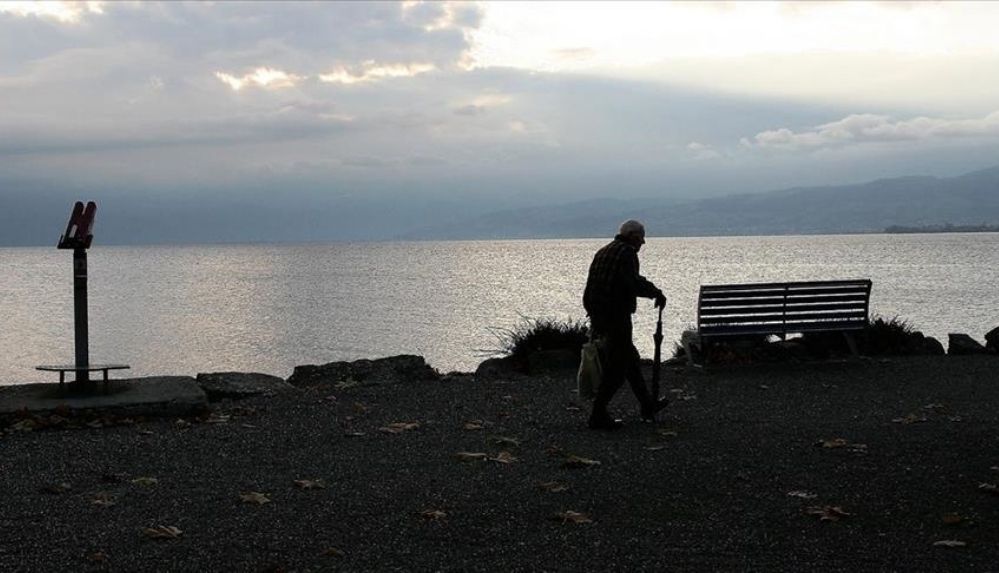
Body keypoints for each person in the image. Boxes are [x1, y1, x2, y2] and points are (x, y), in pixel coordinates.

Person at [582, 219, 669, 430]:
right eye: (641, 238)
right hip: (616, 315)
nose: (643, 243)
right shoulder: (627, 253)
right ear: (632, 236)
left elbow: (592, 285)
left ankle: (647, 405)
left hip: (598, 314)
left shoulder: (604, 251)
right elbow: (632, 282)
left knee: (630, 361)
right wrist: (656, 293)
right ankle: (598, 414)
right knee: (618, 368)